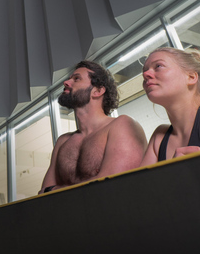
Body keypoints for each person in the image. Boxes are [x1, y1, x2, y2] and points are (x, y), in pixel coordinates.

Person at [39, 60, 147, 193]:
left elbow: (115, 187)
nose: (66, 83)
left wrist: (57, 190)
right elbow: (44, 193)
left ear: (97, 91)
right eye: (69, 79)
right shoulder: (63, 141)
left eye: (76, 79)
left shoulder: (122, 125)